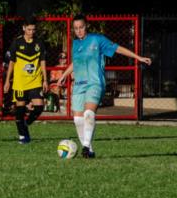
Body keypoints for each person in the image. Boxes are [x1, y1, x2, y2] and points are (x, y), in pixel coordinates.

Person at [57, 14, 151, 158]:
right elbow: (76, 63)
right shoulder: (75, 44)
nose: (79, 31)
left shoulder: (97, 39)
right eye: (76, 28)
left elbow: (118, 48)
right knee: (77, 120)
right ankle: (89, 150)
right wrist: (64, 75)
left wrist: (138, 57)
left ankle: (86, 147)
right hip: (79, 85)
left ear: (86, 26)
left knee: (88, 114)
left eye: (81, 27)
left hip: (95, 83)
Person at [3, 18, 48, 144]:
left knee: (39, 107)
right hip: (20, 83)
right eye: (29, 29)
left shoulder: (39, 43)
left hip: (35, 81)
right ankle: (23, 136)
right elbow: (11, 64)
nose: (31, 32)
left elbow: (43, 62)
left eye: (33, 29)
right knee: (20, 110)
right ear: (24, 28)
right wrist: (7, 81)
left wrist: (45, 80)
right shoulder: (16, 43)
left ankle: (26, 123)